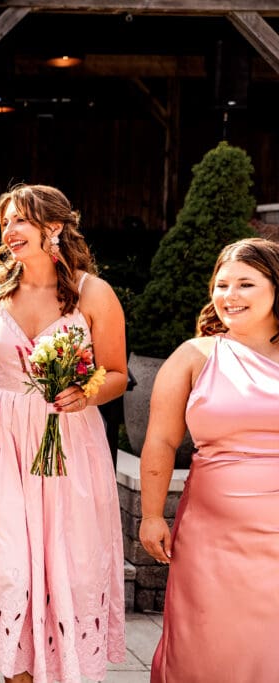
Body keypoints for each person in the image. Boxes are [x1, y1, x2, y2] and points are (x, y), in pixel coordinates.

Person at [0, 184, 127, 683]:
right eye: (5, 221)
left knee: (67, 560)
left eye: (20, 221)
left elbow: (116, 372)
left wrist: (85, 394)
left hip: (70, 438)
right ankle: (13, 672)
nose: (8, 232)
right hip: (2, 434)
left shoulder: (93, 292)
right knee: (6, 563)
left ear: (53, 227)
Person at [139, 237, 279, 682]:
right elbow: (160, 440)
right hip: (210, 536)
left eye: (245, 284)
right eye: (221, 284)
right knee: (206, 640)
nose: (229, 296)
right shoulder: (194, 355)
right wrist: (149, 515)